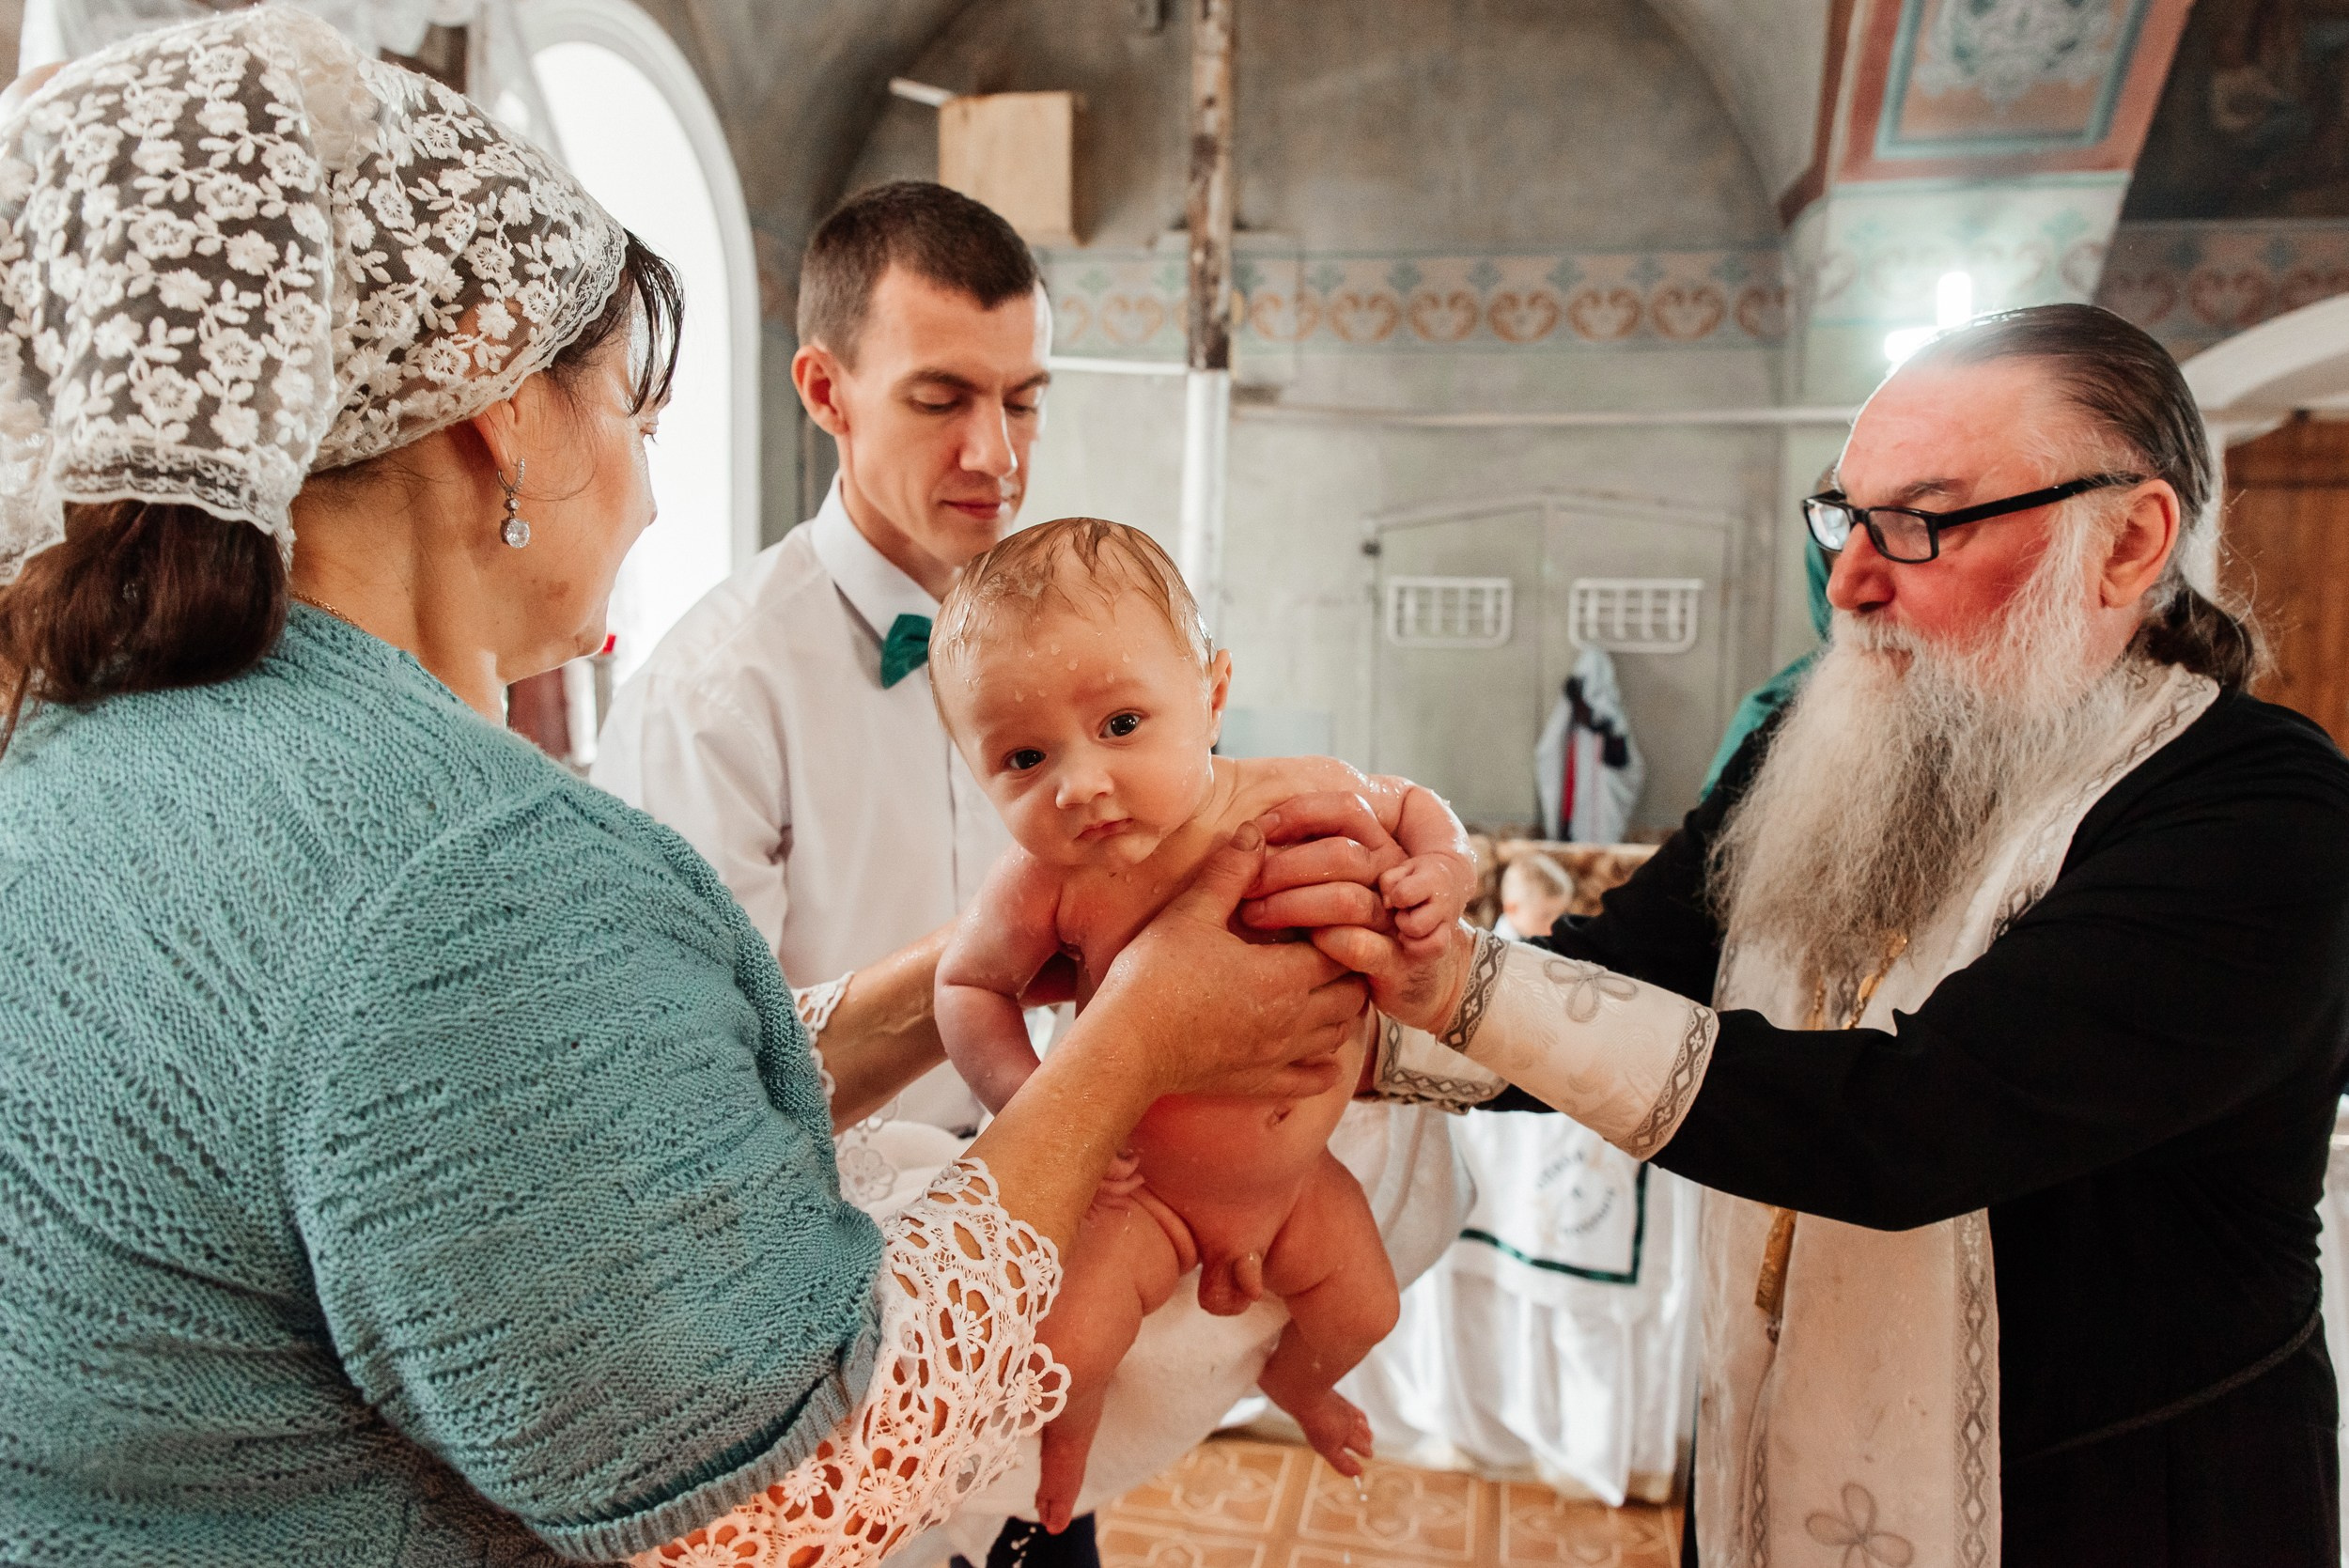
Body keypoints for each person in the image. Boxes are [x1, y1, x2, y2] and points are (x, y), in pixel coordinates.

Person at [0, 15, 1366, 1563]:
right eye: (633, 415)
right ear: (496, 421)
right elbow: (783, 1488)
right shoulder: (467, 867)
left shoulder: (80, 745)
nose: (654, 492)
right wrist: (1123, 1049)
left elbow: (573, 1104)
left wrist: (950, 983)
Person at [1249, 304, 2349, 1566]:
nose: (1850, 579)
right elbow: (1612, 975)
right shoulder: (1820, 748)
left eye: (1920, 523)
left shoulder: (2259, 812)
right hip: (1771, 1477)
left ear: (2128, 541)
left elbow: (1911, 1127)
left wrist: (1457, 989)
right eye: (1842, 516)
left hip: (2115, 1514)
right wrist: (1319, 979)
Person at [928, 519, 1476, 1528]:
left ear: (1213, 694)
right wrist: (1031, 1099)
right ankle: (1059, 1479)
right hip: (1141, 1195)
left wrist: (1441, 868)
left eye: (1122, 725)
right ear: (976, 773)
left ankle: (1300, 1384)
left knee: (1364, 1308)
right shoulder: (1051, 878)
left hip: (1297, 1183)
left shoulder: (1298, 794)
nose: (1080, 780)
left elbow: (1414, 803)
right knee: (1067, 1351)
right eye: (1022, 757)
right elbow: (967, 986)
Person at [593, 179, 1048, 1136]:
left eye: (1024, 400)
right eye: (940, 399)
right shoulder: (712, 699)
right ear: (824, 391)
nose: (997, 453)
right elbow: (701, 1077)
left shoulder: (1066, 633)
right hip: (839, 1224)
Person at [1494, 851, 1576, 941]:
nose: (1555, 926)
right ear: (1511, 909)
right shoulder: (1496, 947)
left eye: (1561, 915)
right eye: (1545, 916)